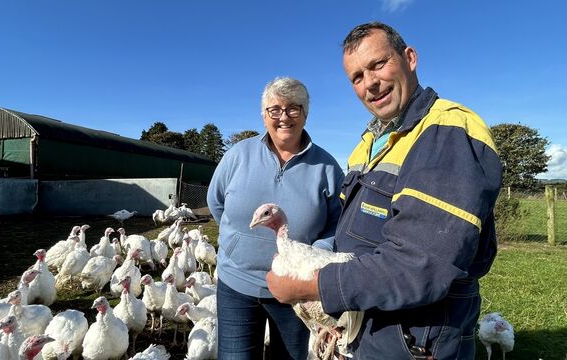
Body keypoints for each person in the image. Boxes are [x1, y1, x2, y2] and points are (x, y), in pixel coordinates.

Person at [266, 22, 502, 359]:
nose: (370, 83)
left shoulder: (445, 131)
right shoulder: (369, 144)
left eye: (378, 64)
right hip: (372, 328)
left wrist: (309, 286)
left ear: (410, 57)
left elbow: (419, 264)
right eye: (357, 77)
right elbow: (353, 235)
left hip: (416, 339)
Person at [207, 76, 344, 359]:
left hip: (296, 292)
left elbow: (336, 224)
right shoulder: (237, 155)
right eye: (275, 109)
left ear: (305, 114)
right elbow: (215, 202)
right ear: (264, 114)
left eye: (294, 108)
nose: (284, 117)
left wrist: (309, 259)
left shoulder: (327, 167)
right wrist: (237, 244)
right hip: (237, 285)